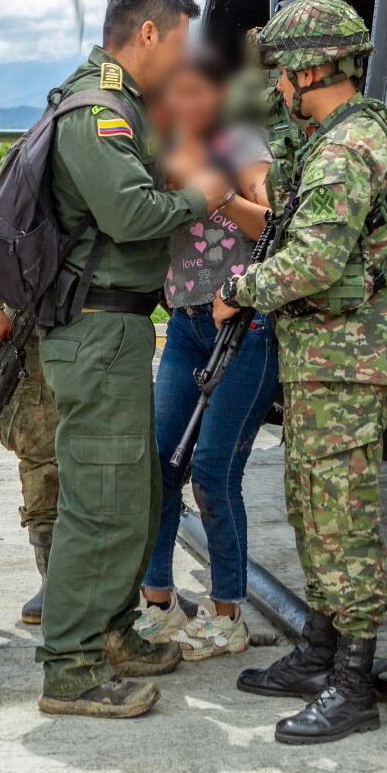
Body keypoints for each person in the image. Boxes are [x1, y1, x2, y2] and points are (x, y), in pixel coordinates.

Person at [214, 0, 387, 745]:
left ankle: (352, 684)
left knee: (343, 524)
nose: (278, 87)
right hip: (326, 359)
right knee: (312, 508)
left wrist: (238, 290)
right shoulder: (337, 140)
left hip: (348, 360)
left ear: (311, 67)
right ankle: (320, 652)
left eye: (284, 72)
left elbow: (314, 258)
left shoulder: (348, 149)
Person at [35, 0, 229, 719]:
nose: (184, 58)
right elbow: (128, 213)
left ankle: (111, 631)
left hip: (115, 326)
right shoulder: (98, 112)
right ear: (149, 33)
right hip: (97, 328)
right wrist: (204, 196)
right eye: (180, 41)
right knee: (101, 500)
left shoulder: (118, 104)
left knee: (135, 490)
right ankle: (71, 668)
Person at [136, 46, 280, 660]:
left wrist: (215, 195)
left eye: (197, 92)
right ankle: (159, 605)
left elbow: (273, 224)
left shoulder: (241, 145)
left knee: (214, 474)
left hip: (245, 326)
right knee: (160, 466)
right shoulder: (155, 156)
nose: (185, 104)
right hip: (185, 326)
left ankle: (227, 616)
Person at [0, 166, 59, 626]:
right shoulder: (35, 152)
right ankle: (52, 576)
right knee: (39, 448)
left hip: (99, 316)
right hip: (35, 323)